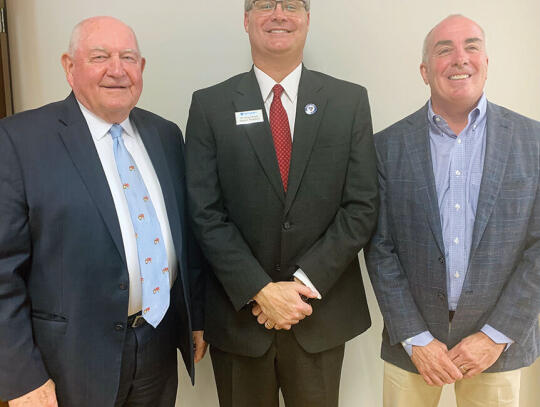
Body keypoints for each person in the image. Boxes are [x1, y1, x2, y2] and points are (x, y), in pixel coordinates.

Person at [0, 16, 206, 407]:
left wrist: (196, 318)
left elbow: (184, 236)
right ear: (69, 66)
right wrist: (20, 375)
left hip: (158, 344)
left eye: (128, 57)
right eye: (100, 56)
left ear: (141, 69)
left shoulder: (166, 135)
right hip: (69, 361)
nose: (117, 69)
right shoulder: (18, 141)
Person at [185, 1, 378, 406]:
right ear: (246, 20)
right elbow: (205, 213)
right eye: (264, 5)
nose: (278, 14)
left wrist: (301, 287)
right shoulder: (210, 106)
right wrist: (260, 290)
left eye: (290, 4)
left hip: (318, 318)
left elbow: (361, 206)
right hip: (240, 319)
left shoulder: (349, 101)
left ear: (307, 19)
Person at [366, 14, 540, 407]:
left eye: (472, 47)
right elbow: (379, 248)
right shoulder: (386, 147)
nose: (460, 59)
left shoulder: (534, 141)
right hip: (411, 348)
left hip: (499, 348)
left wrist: (496, 335)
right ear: (425, 71)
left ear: (487, 62)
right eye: (444, 50)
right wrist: (415, 337)